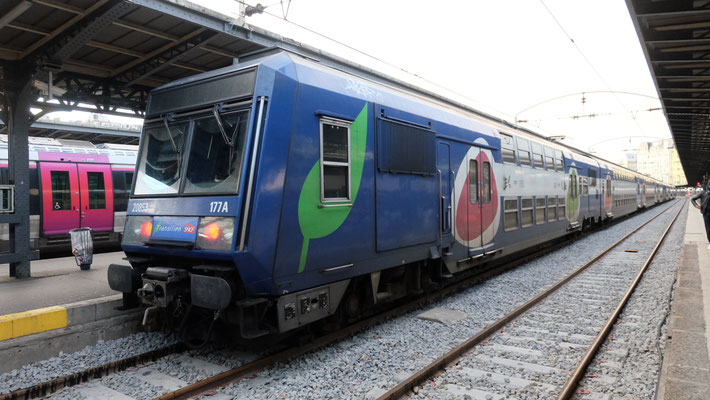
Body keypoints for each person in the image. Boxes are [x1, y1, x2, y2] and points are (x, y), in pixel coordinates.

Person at [691, 184, 710, 250]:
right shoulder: (703, 193)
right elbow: (692, 199)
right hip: (706, 213)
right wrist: (696, 205)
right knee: (708, 229)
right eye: (708, 191)